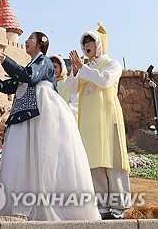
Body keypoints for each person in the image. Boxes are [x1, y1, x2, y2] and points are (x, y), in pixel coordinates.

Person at [0, 31, 100, 221]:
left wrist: (7, 61)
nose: (25, 41)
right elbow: (7, 86)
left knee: (43, 155)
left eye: (30, 39)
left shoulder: (44, 62)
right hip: (25, 114)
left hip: (41, 112)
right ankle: (22, 203)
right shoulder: (29, 66)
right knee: (23, 157)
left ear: (40, 44)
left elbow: (30, 78)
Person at [67, 23, 131, 219]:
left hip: (108, 121)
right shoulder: (85, 67)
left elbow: (103, 81)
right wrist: (75, 71)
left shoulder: (112, 64)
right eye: (84, 42)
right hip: (88, 124)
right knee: (94, 164)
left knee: (112, 163)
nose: (86, 45)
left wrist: (83, 68)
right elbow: (71, 89)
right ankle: (102, 208)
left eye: (90, 41)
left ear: (99, 45)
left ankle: (118, 208)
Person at [49, 54, 78, 118]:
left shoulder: (69, 82)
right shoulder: (47, 85)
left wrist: (62, 110)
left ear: (61, 68)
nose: (52, 69)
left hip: (68, 120)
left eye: (55, 67)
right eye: (50, 67)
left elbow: (76, 104)